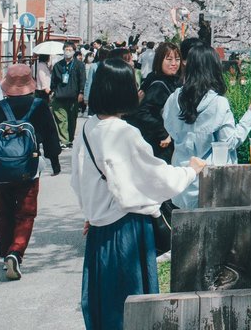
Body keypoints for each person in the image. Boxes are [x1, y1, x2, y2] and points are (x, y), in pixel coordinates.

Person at [72, 57, 206, 330]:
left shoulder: (87, 129)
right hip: (128, 230)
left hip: (99, 229)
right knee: (133, 309)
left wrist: (91, 209)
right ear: (122, 91)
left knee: (104, 308)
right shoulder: (124, 133)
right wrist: (190, 171)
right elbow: (155, 177)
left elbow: (78, 179)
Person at [0, 64, 62, 281]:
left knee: (5, 213)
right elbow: (51, 135)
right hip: (28, 169)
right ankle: (16, 251)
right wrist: (54, 160)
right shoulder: (40, 106)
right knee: (26, 213)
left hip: (0, 170)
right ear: (30, 83)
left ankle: (6, 255)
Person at [163, 45, 251, 209]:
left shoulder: (173, 99)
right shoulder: (218, 103)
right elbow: (230, 141)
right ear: (214, 69)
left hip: (181, 182)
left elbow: (170, 127)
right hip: (210, 185)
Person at [126, 42, 181, 162]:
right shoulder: (159, 85)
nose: (174, 63)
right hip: (160, 144)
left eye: (177, 59)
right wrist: (163, 133)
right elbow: (143, 112)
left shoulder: (169, 79)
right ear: (159, 60)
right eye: (169, 59)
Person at [51, 42, 87, 148]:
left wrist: (81, 92)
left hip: (73, 96)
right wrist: (53, 92)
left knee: (72, 119)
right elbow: (54, 81)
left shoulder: (79, 65)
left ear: (74, 51)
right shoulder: (58, 65)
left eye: (70, 50)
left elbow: (82, 80)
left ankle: (70, 139)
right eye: (66, 49)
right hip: (59, 96)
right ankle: (64, 140)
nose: (67, 52)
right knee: (61, 120)